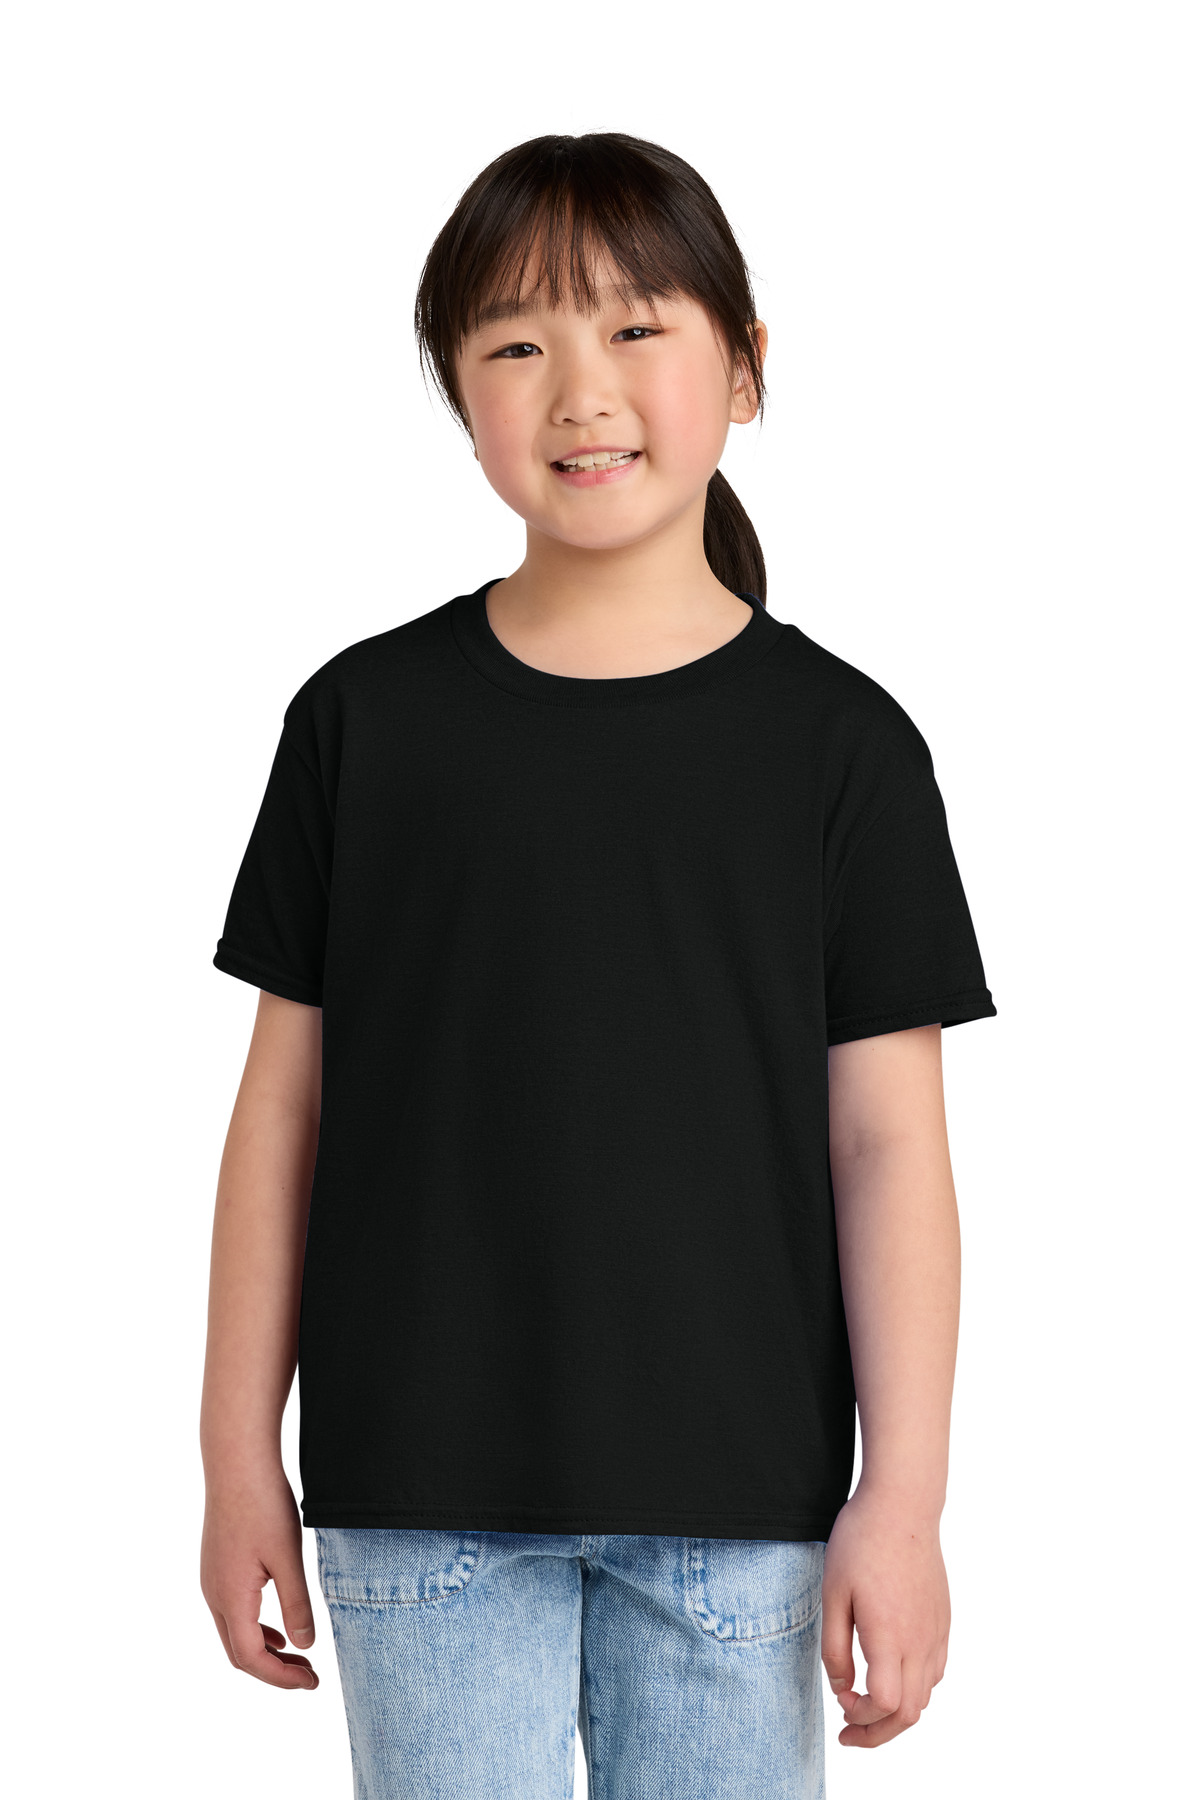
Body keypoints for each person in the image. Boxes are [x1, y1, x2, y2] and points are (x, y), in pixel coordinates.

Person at [200, 132, 996, 1799]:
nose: (582, 391)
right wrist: (232, 1455)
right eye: (515, 344)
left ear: (745, 366)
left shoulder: (842, 747)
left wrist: (905, 1497)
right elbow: (285, 1113)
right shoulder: (365, 722)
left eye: (636, 327)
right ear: (458, 391)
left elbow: (888, 1143)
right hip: (418, 1494)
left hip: (744, 1512)